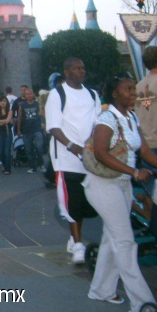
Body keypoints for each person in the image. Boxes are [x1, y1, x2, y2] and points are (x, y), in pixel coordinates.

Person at [84, 72, 157, 312]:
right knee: (125, 242)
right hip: (102, 186)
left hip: (122, 184)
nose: (133, 94)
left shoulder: (131, 117)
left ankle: (101, 289)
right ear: (115, 93)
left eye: (133, 89)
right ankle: (142, 303)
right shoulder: (106, 119)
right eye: (128, 90)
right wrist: (135, 172)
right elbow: (101, 153)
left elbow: (143, 149)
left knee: (111, 238)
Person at [45, 57, 101, 264]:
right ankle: (78, 245)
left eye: (83, 68)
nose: (81, 71)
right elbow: (54, 126)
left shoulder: (92, 95)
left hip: (88, 155)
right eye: (77, 68)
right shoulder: (57, 94)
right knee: (71, 200)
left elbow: (97, 124)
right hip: (66, 158)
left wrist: (88, 144)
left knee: (85, 202)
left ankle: (73, 237)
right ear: (67, 72)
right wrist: (72, 146)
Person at [17, 88, 45, 173]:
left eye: (30, 94)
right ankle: (32, 167)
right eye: (27, 94)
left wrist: (45, 127)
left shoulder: (37, 104)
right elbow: (19, 118)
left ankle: (41, 164)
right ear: (25, 96)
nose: (29, 95)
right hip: (26, 130)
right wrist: (18, 130)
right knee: (29, 149)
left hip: (37, 129)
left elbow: (43, 115)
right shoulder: (22, 106)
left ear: (33, 94)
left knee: (39, 147)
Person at [0, 94, 13, 175]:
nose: (3, 103)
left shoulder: (10, 111)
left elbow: (7, 121)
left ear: (7, 102)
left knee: (7, 151)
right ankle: (3, 165)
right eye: (1, 101)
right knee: (0, 150)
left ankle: (8, 168)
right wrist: (2, 122)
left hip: (7, 132)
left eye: (4, 101)